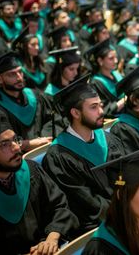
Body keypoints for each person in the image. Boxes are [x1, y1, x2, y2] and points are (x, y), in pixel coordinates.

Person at [0, 112, 79, 255]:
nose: (17, 148)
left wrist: (52, 238)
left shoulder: (31, 170)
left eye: (15, 140)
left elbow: (60, 207)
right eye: (5, 144)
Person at [42, 75, 126, 234]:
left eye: (101, 105)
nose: (102, 111)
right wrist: (122, 212)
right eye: (93, 107)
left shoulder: (108, 140)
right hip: (94, 227)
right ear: (75, 113)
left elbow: (123, 176)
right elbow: (85, 202)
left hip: (121, 212)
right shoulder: (59, 156)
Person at [0, 52, 54, 152]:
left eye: (20, 72)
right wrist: (26, 145)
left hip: (46, 147)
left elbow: (52, 119)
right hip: (16, 159)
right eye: (12, 74)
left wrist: (44, 138)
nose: (19, 78)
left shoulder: (36, 95)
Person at [86, 38, 125, 117]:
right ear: (100, 61)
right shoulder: (95, 83)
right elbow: (104, 109)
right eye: (111, 58)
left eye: (116, 57)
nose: (116, 61)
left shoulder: (117, 74)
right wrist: (125, 100)